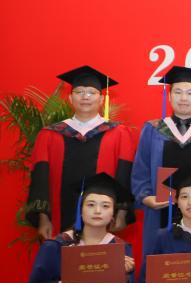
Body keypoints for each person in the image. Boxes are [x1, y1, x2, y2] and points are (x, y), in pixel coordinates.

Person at [27, 65, 134, 240]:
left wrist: (122, 213)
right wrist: (43, 218)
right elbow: (40, 178)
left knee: (99, 256)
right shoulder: (50, 134)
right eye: (79, 92)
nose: (85, 97)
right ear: (70, 98)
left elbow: (125, 175)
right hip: (59, 217)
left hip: (103, 218)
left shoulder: (119, 133)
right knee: (61, 253)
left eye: (91, 92)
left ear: (101, 99)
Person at [132, 65, 191, 257]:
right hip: (159, 211)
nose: (183, 98)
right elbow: (141, 169)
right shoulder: (152, 129)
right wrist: (146, 197)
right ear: (169, 96)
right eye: (178, 92)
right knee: (159, 262)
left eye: (190, 93)